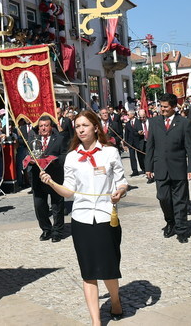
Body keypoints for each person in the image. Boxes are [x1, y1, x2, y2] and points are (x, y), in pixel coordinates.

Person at [39, 109, 127, 325]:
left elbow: (122, 181)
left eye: (85, 125)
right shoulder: (71, 158)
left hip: (106, 217)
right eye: (77, 126)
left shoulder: (110, 152)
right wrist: (51, 183)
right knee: (88, 272)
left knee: (108, 270)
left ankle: (115, 300)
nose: (80, 129)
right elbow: (69, 191)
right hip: (82, 219)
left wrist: (120, 192)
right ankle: (96, 321)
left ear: (96, 127)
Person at [144, 93, 191, 243]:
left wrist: (190, 167)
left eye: (165, 107)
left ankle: (181, 230)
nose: (162, 109)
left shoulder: (184, 123)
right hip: (160, 168)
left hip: (178, 167)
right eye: (161, 106)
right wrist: (149, 167)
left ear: (173, 107)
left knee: (180, 200)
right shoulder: (154, 122)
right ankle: (170, 221)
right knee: (163, 197)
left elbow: (190, 147)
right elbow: (150, 146)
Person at [27, 116, 65, 242]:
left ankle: (57, 231)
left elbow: (65, 155)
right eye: (41, 126)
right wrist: (29, 161)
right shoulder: (33, 139)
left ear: (51, 127)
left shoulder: (59, 139)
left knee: (57, 204)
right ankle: (46, 229)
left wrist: (54, 160)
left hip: (55, 176)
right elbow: (28, 154)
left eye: (46, 125)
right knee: (39, 205)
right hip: (38, 178)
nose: (43, 128)